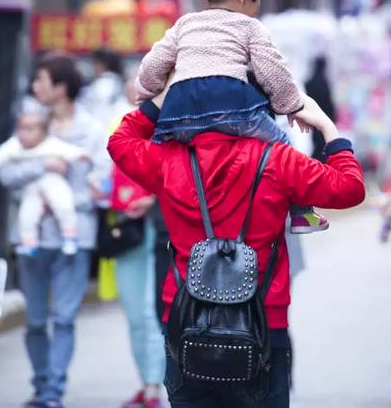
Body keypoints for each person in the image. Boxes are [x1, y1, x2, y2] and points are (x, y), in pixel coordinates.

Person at [107, 83, 365, 408]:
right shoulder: (279, 160)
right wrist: (327, 126)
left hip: (185, 326)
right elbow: (351, 188)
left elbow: (119, 142)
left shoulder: (168, 161)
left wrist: (163, 93)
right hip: (262, 328)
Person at [134, 0, 327, 235]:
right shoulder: (250, 26)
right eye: (257, 0)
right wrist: (293, 107)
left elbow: (152, 65)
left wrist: (146, 91)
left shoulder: (185, 24)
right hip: (231, 106)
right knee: (282, 146)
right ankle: (301, 212)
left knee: (175, 158)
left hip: (180, 112)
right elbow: (272, 72)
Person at [0, 54, 109, 408]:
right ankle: (41, 383)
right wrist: (42, 168)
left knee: (62, 318)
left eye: (41, 81)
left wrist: (67, 197)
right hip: (31, 237)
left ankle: (52, 392)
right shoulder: (30, 124)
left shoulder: (91, 129)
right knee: (34, 321)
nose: (35, 87)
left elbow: (100, 187)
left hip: (74, 238)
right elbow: (6, 174)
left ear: (60, 87)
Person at [109, 72, 166, 408]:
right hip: (126, 228)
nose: (138, 101)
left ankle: (155, 387)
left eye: (143, 95)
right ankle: (145, 380)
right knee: (133, 311)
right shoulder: (118, 128)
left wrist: (155, 199)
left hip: (159, 229)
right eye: (133, 94)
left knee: (150, 311)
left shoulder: (172, 127)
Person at [0, 110, 88, 256]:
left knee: (64, 204)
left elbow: (71, 151)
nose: (24, 133)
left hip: (53, 182)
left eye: (30, 129)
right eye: (20, 128)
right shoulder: (14, 145)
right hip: (32, 187)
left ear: (43, 131)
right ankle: (29, 243)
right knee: (27, 214)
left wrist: (80, 155)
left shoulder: (51, 144)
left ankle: (70, 236)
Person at [80, 47, 124, 125]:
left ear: (103, 64)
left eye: (95, 63)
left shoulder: (105, 83)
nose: (94, 67)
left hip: (103, 125)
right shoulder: (115, 80)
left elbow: (98, 110)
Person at [305, 56, 337, 161]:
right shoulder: (324, 84)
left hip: (310, 119)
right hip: (324, 119)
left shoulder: (309, 82)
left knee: (314, 143)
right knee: (321, 145)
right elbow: (329, 104)